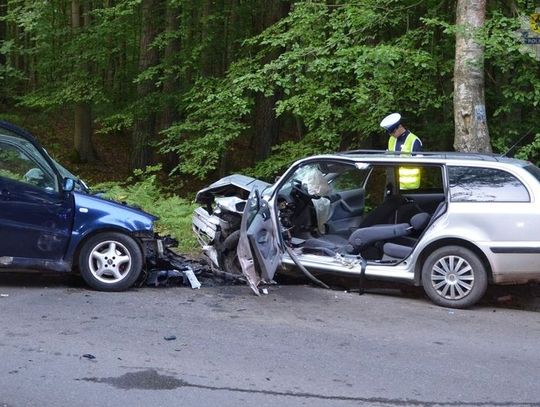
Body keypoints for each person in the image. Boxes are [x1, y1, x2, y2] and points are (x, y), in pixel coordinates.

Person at [380, 112, 422, 189]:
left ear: (399, 127)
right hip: (393, 184)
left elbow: (420, 164)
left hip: (410, 187)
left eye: (392, 132)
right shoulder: (392, 139)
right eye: (389, 133)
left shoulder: (414, 140)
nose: (391, 135)